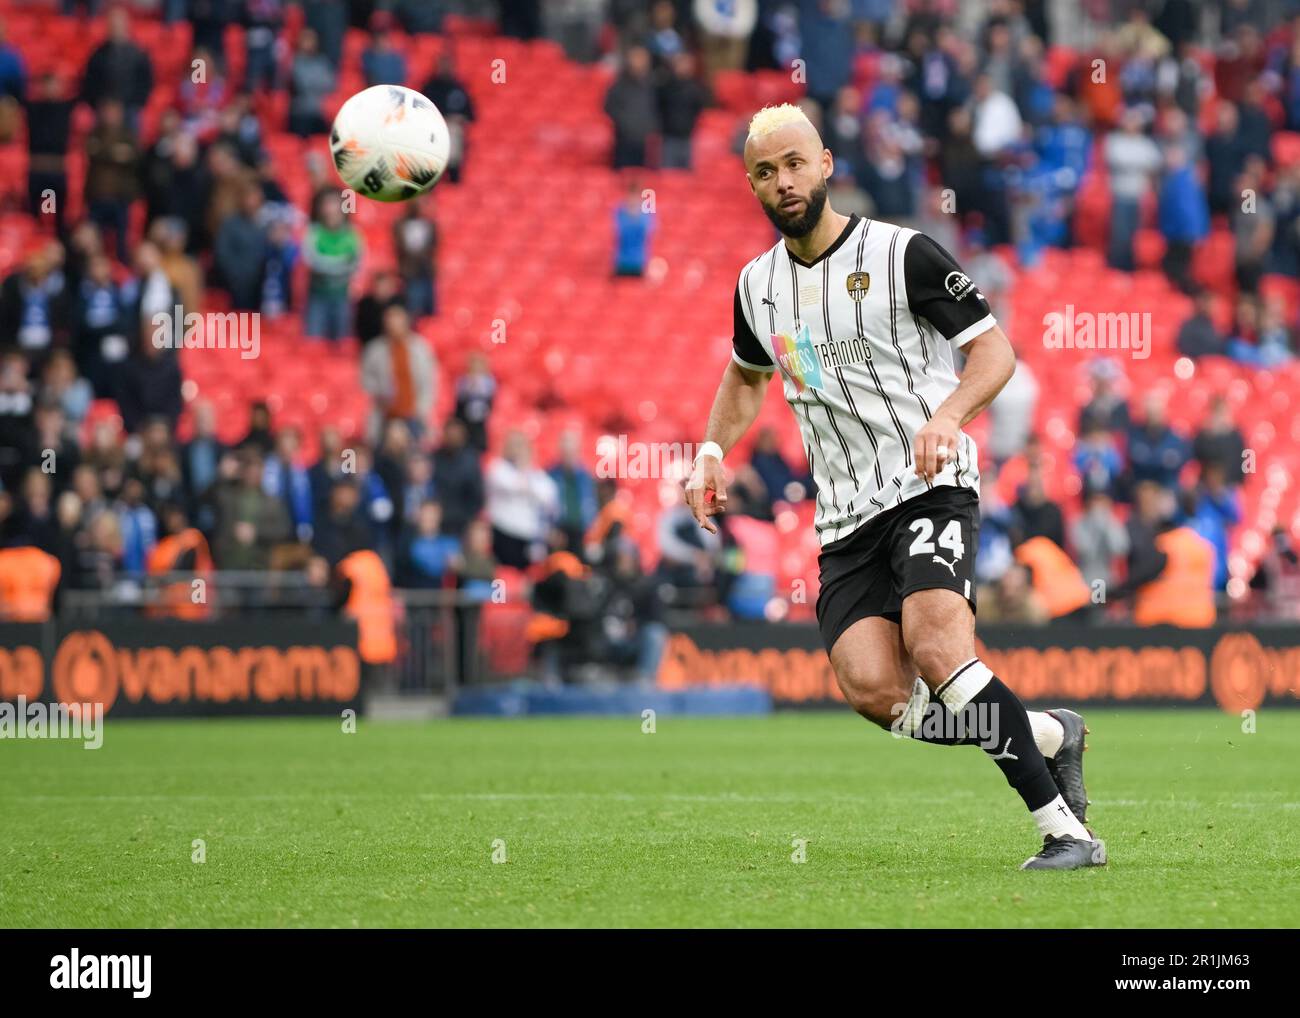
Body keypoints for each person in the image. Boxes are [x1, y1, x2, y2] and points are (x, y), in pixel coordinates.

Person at [682, 104, 1104, 870]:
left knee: (940, 652)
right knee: (875, 691)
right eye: (767, 172)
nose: (784, 181)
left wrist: (948, 416)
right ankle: (1046, 732)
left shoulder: (902, 253)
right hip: (844, 519)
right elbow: (748, 375)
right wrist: (712, 448)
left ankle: (1065, 832)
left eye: (795, 163)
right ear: (751, 183)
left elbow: (994, 354)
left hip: (927, 486)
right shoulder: (756, 287)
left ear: (827, 164)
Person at [360, 303, 436, 442]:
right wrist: (379, 394)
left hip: (414, 414)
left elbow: (429, 382)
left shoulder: (420, 348)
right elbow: (365, 381)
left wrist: (422, 410)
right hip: (385, 414)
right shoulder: (375, 350)